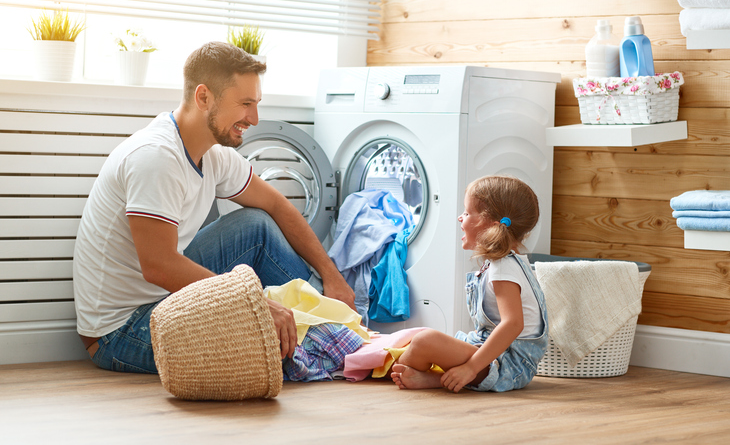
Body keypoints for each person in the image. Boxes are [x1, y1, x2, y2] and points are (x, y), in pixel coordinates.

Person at [73, 41, 356, 373]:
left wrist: (332, 276)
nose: (253, 118)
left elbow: (277, 206)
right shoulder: (156, 157)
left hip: (163, 299)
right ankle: (329, 341)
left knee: (256, 225)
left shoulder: (213, 154)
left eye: (256, 103)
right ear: (203, 97)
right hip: (120, 331)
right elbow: (159, 267)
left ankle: (333, 323)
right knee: (265, 344)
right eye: (245, 104)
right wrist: (255, 306)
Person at [390, 175, 548, 393]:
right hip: (494, 353)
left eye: (466, 213)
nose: (459, 218)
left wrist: (471, 368)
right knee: (418, 339)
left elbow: (513, 324)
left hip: (510, 365)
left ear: (488, 224)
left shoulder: (504, 266)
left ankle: (386, 369)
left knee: (424, 341)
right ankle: (435, 379)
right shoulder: (502, 262)